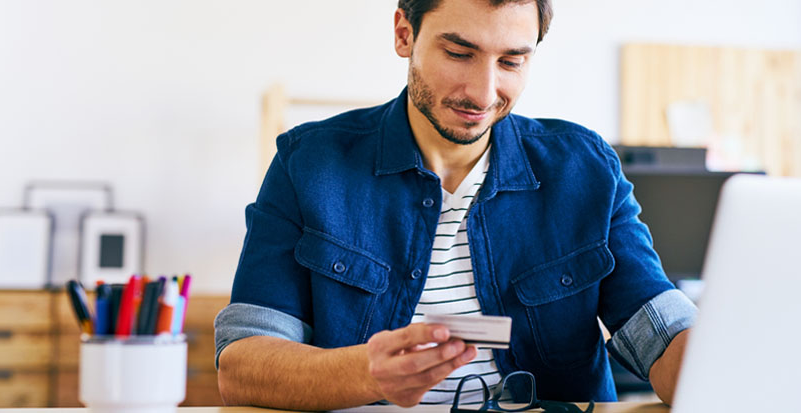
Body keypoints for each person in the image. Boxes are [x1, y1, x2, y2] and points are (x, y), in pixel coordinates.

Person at [215, 0, 697, 410]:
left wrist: (718, 356)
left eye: (511, 62)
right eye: (459, 53)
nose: (484, 94)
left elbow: (660, 328)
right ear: (405, 33)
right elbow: (242, 363)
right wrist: (365, 373)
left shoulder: (585, 168)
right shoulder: (309, 164)